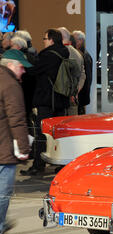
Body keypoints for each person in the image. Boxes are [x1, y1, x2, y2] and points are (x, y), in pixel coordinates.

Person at [20, 29, 70, 176]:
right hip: (62, 100)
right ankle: (61, 163)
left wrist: (23, 61)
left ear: (51, 40)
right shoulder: (65, 53)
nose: (43, 41)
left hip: (47, 101)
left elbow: (33, 71)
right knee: (59, 134)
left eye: (45, 38)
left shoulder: (48, 55)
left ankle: (38, 165)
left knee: (41, 133)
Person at [0, 49, 32, 234]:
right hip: (4, 147)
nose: (24, 71)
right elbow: (17, 119)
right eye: (21, 67)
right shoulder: (11, 85)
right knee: (3, 192)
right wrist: (24, 147)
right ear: (11, 65)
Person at [58, 27, 84, 116]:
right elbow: (82, 75)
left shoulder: (63, 53)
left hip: (64, 100)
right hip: (73, 97)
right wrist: (76, 91)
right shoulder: (77, 53)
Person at [72, 30, 93, 115]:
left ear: (80, 41)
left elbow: (86, 77)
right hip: (81, 93)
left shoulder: (83, 56)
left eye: (74, 39)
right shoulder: (83, 54)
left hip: (80, 93)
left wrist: (79, 92)